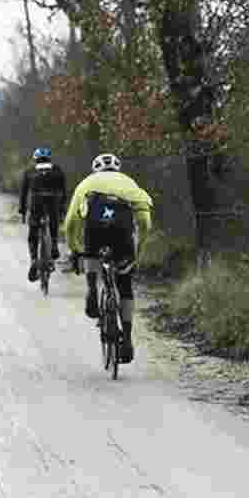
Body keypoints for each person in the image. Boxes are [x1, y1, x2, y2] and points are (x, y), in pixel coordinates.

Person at [62, 153, 153, 364]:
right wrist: (137, 251)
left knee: (91, 250)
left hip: (95, 232)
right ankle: (128, 339)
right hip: (122, 235)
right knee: (125, 284)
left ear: (96, 170)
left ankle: (92, 290)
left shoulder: (87, 184)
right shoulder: (130, 184)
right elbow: (145, 223)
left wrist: (76, 250)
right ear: (118, 170)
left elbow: (70, 223)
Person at [18, 147, 67, 282]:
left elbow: (23, 192)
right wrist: (62, 208)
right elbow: (63, 190)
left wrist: (22, 210)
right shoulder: (57, 169)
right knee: (54, 222)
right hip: (52, 201)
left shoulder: (29, 170)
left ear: (35, 159)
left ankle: (34, 259)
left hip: (36, 202)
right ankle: (55, 245)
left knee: (33, 233)